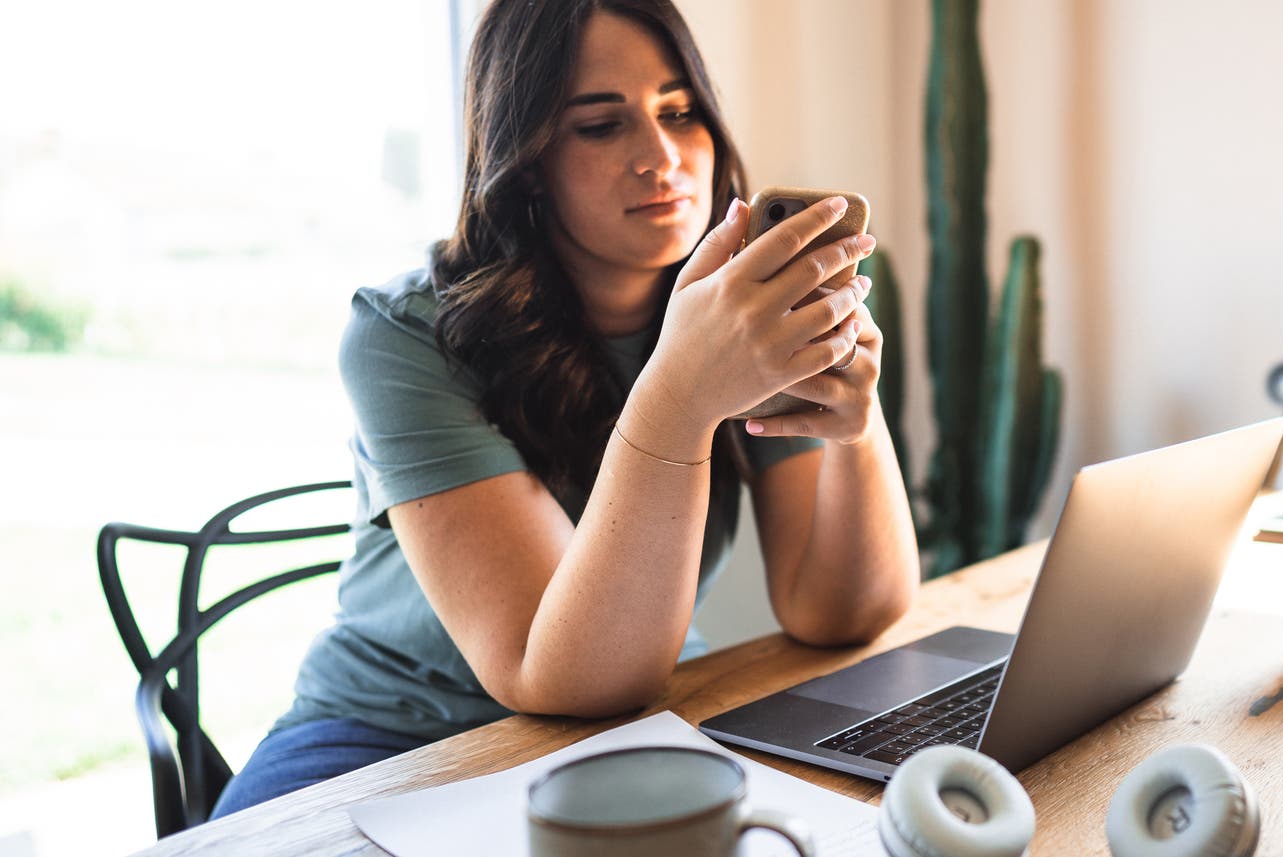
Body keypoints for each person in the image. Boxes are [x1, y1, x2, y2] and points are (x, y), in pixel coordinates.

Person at [211, 0, 919, 817]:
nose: (661, 157)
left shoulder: (734, 314)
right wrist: (679, 398)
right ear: (526, 159)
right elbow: (558, 675)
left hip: (636, 714)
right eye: (601, 125)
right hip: (389, 734)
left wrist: (855, 428)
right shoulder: (403, 333)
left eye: (679, 112)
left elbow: (840, 613)